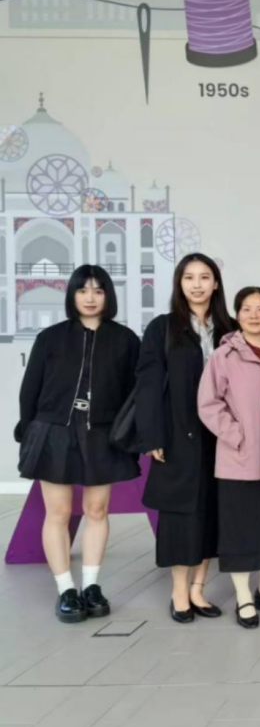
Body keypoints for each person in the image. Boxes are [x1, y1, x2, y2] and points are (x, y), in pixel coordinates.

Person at [15, 265, 141, 623]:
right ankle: (65, 590)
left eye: (98, 291)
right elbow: (30, 389)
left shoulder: (126, 339)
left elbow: (135, 393)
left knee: (97, 510)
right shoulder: (51, 337)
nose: (90, 297)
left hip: (101, 433)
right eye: (82, 290)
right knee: (58, 513)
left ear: (108, 296)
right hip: (54, 431)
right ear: (72, 294)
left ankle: (91, 586)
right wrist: (28, 431)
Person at [137, 253, 236, 623]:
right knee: (180, 515)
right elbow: (148, 385)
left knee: (212, 512)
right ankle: (179, 591)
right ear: (179, 283)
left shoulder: (230, 327)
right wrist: (153, 435)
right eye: (189, 277)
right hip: (178, 435)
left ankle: (198, 588)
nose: (197, 284)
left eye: (205, 277)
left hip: (220, 436)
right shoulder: (163, 328)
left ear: (216, 283)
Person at [198, 287, 260, 629]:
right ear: (237, 314)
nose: (254, 315)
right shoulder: (224, 355)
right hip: (238, 460)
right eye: (247, 309)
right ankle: (243, 596)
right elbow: (208, 404)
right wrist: (238, 435)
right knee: (239, 532)